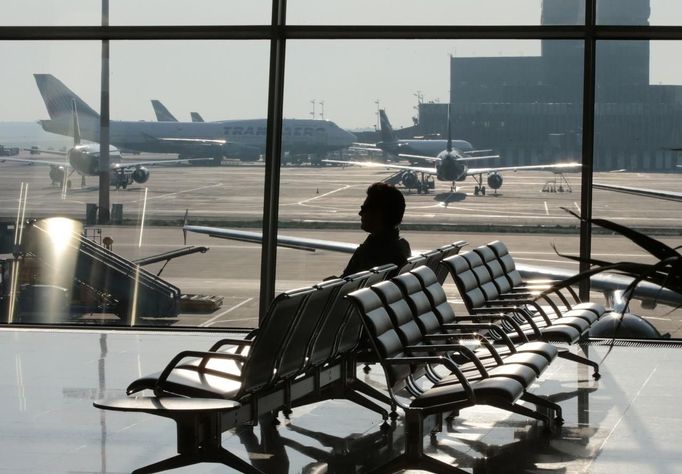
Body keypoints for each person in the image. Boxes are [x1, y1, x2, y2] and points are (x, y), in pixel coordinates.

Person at [341, 182, 411, 277]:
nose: (360, 213)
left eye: (364, 208)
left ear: (378, 214)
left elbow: (348, 287)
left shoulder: (369, 254)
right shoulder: (402, 246)